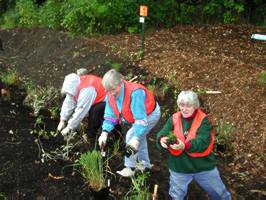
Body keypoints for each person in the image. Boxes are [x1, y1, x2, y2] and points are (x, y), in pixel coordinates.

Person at [156, 90, 231, 200]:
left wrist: (185, 146)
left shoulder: (204, 120)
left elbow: (202, 142)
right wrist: (162, 139)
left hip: (203, 167)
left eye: (188, 105)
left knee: (220, 195)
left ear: (195, 106)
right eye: (181, 105)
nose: (184, 109)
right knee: (176, 197)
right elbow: (162, 133)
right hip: (179, 167)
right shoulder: (174, 118)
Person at [98, 69, 161, 177]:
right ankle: (145, 165)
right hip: (137, 118)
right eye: (108, 90)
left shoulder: (135, 93)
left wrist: (136, 137)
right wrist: (104, 132)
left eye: (113, 89)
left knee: (132, 136)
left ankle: (130, 168)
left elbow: (140, 120)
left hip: (149, 115)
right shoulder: (110, 94)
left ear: (121, 83)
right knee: (139, 139)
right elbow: (111, 116)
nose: (111, 93)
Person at [57, 68, 108, 139]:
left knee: (94, 112)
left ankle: (91, 136)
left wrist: (69, 127)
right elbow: (68, 102)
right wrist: (62, 120)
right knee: (87, 111)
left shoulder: (87, 90)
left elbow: (81, 111)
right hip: (95, 99)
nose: (70, 95)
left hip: (107, 101)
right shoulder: (75, 85)